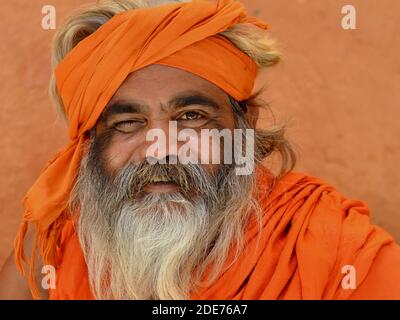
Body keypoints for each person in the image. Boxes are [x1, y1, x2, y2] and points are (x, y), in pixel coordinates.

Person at [1, 0, 399, 300]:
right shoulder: (58, 247)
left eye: (191, 116)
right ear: (90, 143)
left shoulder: (331, 249)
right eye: (126, 123)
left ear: (247, 123)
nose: (160, 149)